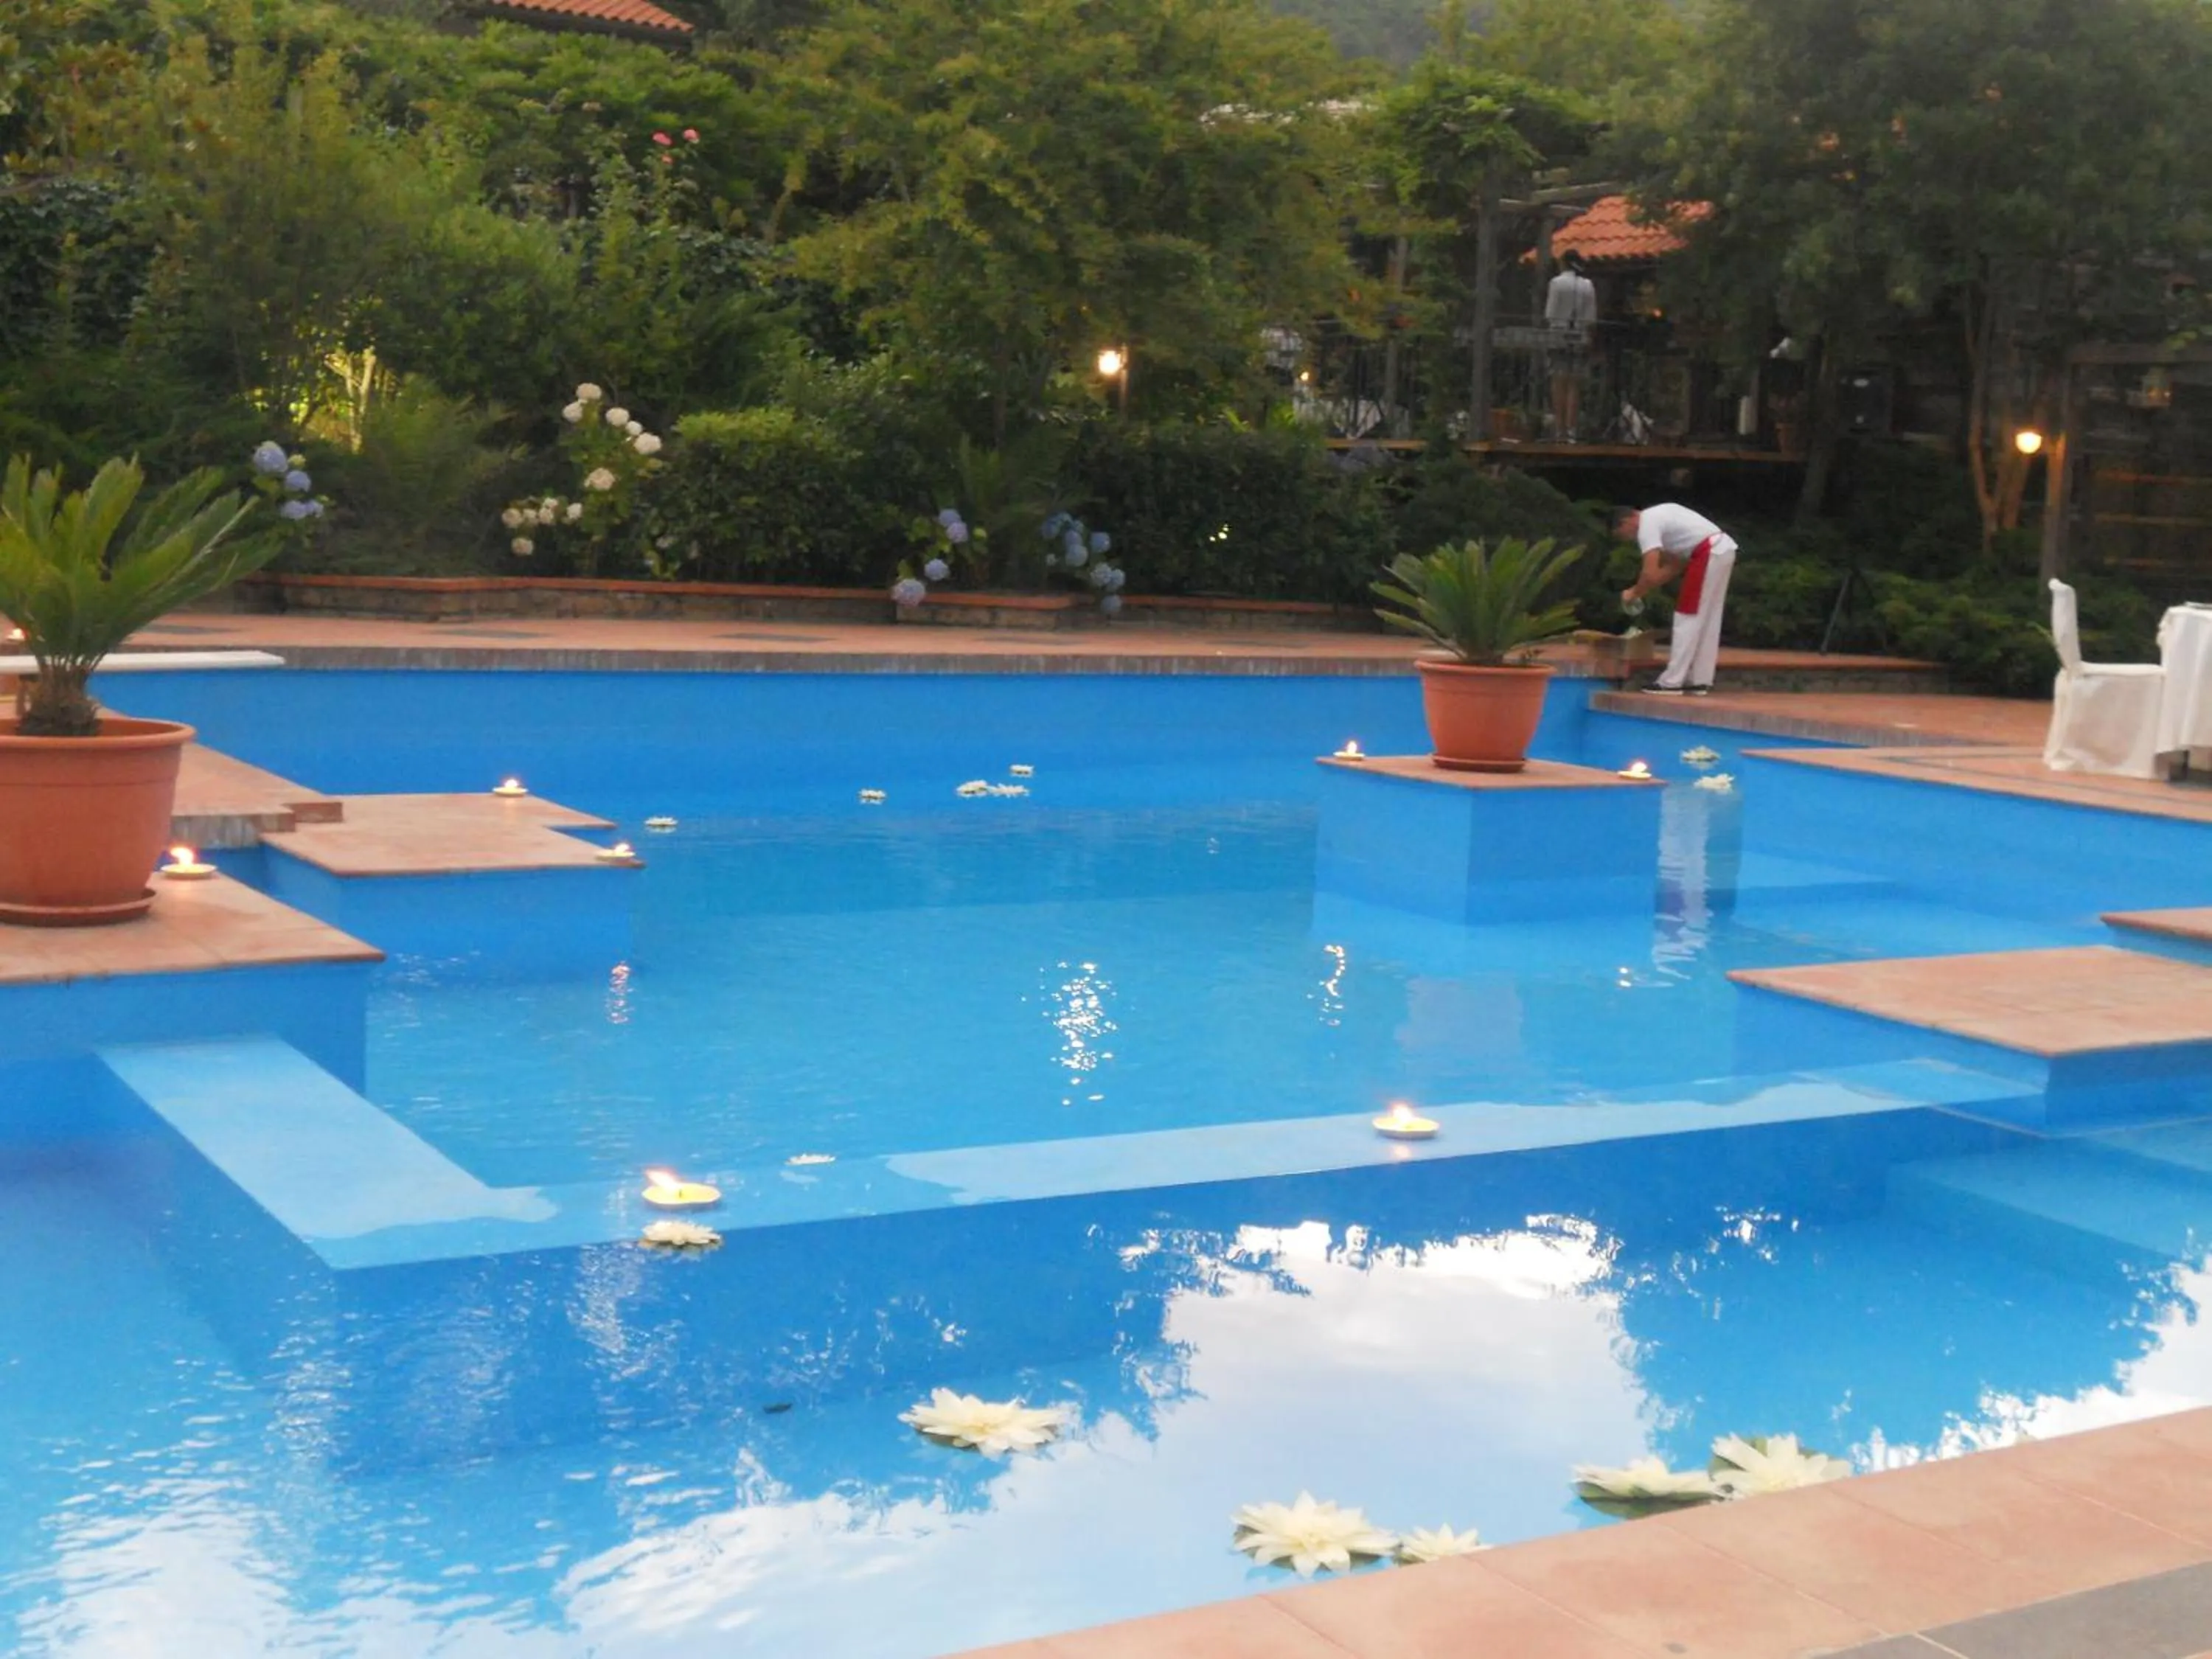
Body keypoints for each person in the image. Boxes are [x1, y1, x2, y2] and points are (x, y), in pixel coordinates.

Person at [1615, 503, 1739, 695]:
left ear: (1626, 521)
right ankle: (1700, 679)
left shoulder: (1647, 522)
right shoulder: (1662, 516)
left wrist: (1633, 593)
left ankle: (1671, 682)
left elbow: (1649, 571)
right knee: (1708, 618)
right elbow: (1673, 567)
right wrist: (1640, 590)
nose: (1627, 539)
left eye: (1621, 533)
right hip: (1720, 550)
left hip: (1708, 552)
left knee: (1687, 615)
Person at [1543, 253, 1597, 441]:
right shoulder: (1588, 285)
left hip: (1559, 334)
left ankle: (1560, 430)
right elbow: (1591, 317)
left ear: (1563, 263)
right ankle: (1572, 429)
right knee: (1575, 383)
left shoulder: (1556, 283)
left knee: (1558, 382)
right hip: (1580, 335)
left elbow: (1550, 313)